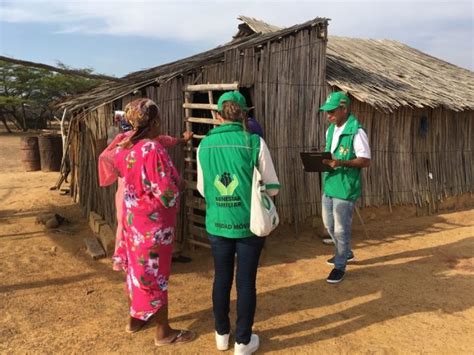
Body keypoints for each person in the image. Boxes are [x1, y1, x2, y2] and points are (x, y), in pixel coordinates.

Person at [106, 98, 195, 346]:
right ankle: (163, 332)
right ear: (154, 122)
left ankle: (135, 320)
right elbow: (165, 192)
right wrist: (180, 185)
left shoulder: (124, 147)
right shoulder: (151, 149)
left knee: (136, 271)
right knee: (155, 275)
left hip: (133, 222)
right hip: (153, 226)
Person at [197, 91, 280, 354]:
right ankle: (243, 341)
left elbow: (202, 188)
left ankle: (222, 334)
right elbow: (274, 188)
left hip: (217, 224)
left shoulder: (204, 145)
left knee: (221, 278)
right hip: (249, 226)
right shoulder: (254, 142)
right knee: (246, 282)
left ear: (217, 115)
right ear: (245, 114)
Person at [98, 113, 193, 271]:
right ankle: (149, 262)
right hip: (148, 191)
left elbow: (105, 157)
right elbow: (167, 190)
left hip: (127, 189)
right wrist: (184, 140)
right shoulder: (154, 145)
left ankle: (122, 260)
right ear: (152, 124)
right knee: (153, 224)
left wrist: (120, 172)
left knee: (125, 223)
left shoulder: (123, 142)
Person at [319, 91, 371, 284]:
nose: (328, 116)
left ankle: (340, 266)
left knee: (341, 230)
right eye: (326, 112)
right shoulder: (330, 130)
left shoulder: (357, 132)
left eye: (332, 111)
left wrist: (341, 162)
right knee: (330, 225)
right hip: (330, 183)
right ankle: (345, 252)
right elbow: (331, 155)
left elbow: (365, 161)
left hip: (346, 187)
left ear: (344, 109)